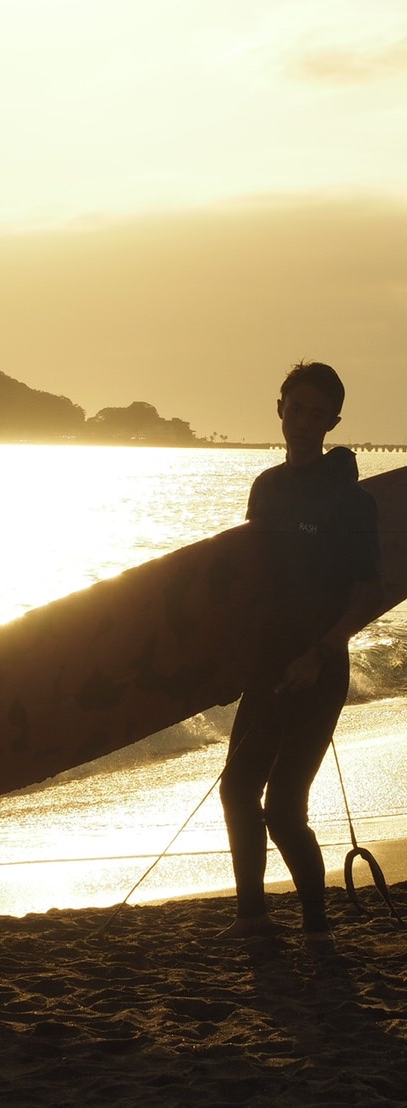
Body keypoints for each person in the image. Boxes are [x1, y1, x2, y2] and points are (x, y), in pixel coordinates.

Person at [219, 361, 382, 940]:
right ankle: (253, 917)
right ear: (280, 406)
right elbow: (251, 579)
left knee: (285, 805)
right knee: (238, 788)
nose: (305, 422)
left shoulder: (349, 501)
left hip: (319, 665)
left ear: (333, 421)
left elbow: (366, 591)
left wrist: (319, 653)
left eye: (319, 414)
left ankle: (316, 925)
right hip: (268, 664)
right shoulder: (267, 487)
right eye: (297, 408)